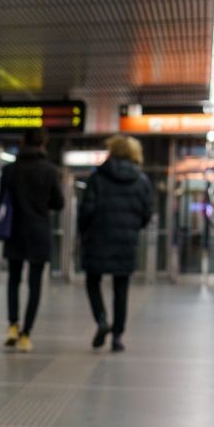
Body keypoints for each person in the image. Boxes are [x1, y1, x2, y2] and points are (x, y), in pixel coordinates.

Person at [78, 135, 153, 352]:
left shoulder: (97, 177)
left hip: (97, 238)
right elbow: (147, 212)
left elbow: (86, 210)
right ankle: (118, 336)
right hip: (126, 241)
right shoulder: (141, 180)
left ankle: (102, 320)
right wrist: (132, 227)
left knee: (93, 280)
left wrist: (84, 232)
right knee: (121, 288)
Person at [0, 128, 65, 352]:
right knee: (35, 285)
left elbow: (1, 201)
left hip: (14, 231)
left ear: (22, 142)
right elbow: (58, 202)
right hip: (39, 232)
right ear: (44, 144)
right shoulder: (50, 171)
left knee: (13, 281)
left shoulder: (9, 170)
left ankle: (12, 326)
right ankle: (26, 335)